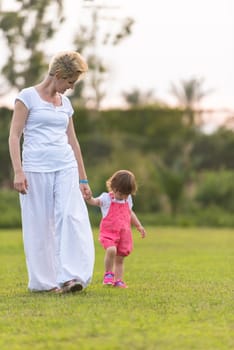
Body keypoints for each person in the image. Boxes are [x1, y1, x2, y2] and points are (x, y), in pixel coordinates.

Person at [8, 51, 95, 294]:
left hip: (65, 166)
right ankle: (45, 282)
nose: (70, 88)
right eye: (70, 82)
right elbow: (14, 136)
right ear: (58, 75)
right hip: (36, 168)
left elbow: (73, 141)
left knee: (70, 217)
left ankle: (70, 276)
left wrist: (83, 177)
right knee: (41, 223)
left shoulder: (65, 104)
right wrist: (18, 171)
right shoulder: (27, 98)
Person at [86, 169, 146, 288]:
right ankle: (108, 274)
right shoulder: (106, 198)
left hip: (124, 234)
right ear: (114, 187)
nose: (123, 196)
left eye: (126, 194)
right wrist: (89, 198)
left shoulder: (127, 199)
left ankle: (118, 280)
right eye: (121, 194)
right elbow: (94, 201)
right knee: (111, 250)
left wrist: (138, 225)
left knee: (120, 259)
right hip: (109, 233)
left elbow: (130, 213)